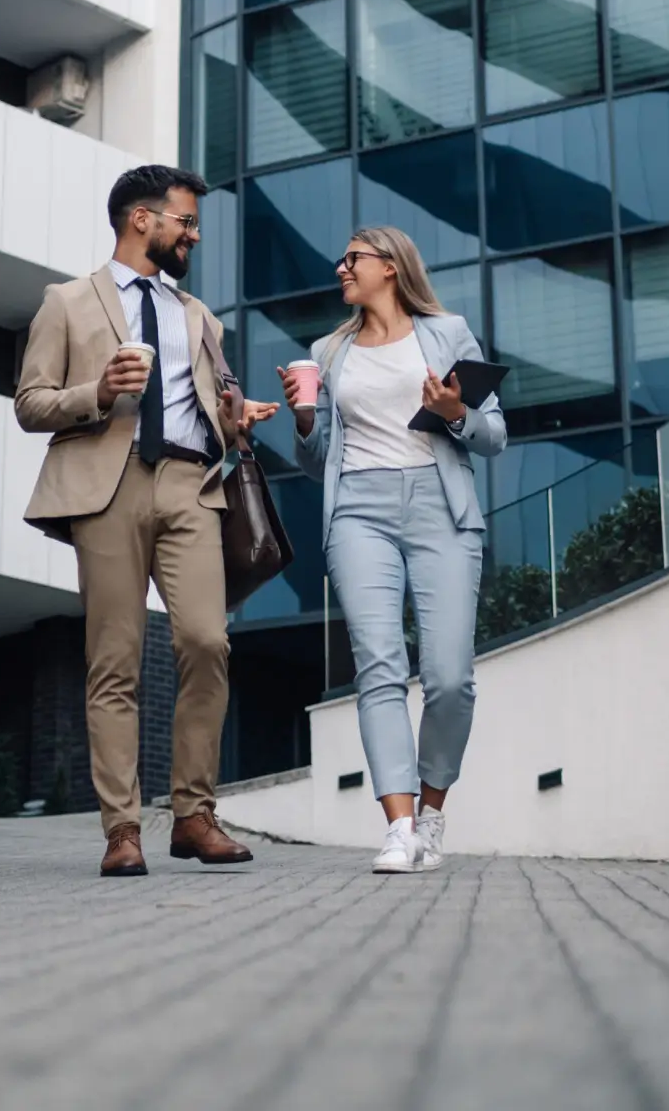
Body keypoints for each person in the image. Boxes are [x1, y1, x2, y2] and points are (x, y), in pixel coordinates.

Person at [16, 165, 278, 877]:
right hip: (109, 486)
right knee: (115, 659)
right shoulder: (67, 303)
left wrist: (237, 418)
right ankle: (122, 830)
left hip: (193, 485)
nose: (193, 235)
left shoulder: (200, 317)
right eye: (184, 222)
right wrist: (95, 391)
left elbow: (216, 400)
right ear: (141, 220)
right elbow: (30, 403)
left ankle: (194, 815)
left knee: (206, 641)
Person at [280, 227, 505, 874]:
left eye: (352, 258)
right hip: (358, 511)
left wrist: (456, 412)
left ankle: (432, 814)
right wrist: (302, 421)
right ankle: (399, 828)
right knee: (378, 667)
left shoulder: (448, 334)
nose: (340, 267)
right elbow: (319, 455)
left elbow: (493, 436)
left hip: (440, 508)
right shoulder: (329, 350)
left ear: (390, 266)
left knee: (448, 678)